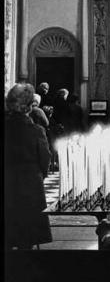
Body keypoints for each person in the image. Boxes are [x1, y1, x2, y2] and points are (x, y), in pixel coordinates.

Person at [5, 83, 52, 249]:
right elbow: (45, 158)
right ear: (29, 107)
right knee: (28, 236)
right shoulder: (36, 131)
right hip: (30, 182)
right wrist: (41, 174)